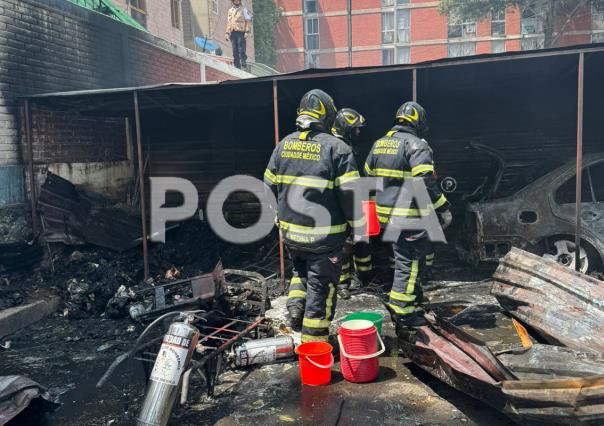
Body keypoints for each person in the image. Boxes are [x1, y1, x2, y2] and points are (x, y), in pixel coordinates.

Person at [264, 90, 364, 343]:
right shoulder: (338, 149)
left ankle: (295, 309)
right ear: (328, 115)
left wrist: (276, 215)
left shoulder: (283, 145)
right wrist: (355, 224)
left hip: (291, 236)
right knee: (320, 294)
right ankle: (314, 347)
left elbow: (267, 186)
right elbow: (350, 196)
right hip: (324, 240)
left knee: (300, 273)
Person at [364, 101, 451, 333]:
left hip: (386, 217)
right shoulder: (417, 145)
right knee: (409, 263)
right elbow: (425, 181)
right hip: (408, 217)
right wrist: (443, 207)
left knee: (405, 260)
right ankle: (403, 314)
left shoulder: (379, 144)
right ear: (419, 122)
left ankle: (409, 300)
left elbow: (368, 177)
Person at [331, 108, 373, 299]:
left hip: (356, 201)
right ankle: (342, 284)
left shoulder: (347, 147)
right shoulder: (337, 148)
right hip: (342, 207)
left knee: (362, 242)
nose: (358, 133)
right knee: (344, 247)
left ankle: (365, 278)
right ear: (346, 128)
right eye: (355, 129)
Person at [226, 0, 252, 69]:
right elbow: (229, 22)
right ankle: (237, 65)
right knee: (235, 50)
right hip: (233, 32)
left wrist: (247, 32)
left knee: (241, 49)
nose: (236, 1)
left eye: (238, 0)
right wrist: (227, 33)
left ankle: (243, 61)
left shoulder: (244, 9)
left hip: (241, 32)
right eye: (235, 0)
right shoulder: (230, 10)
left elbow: (248, 21)